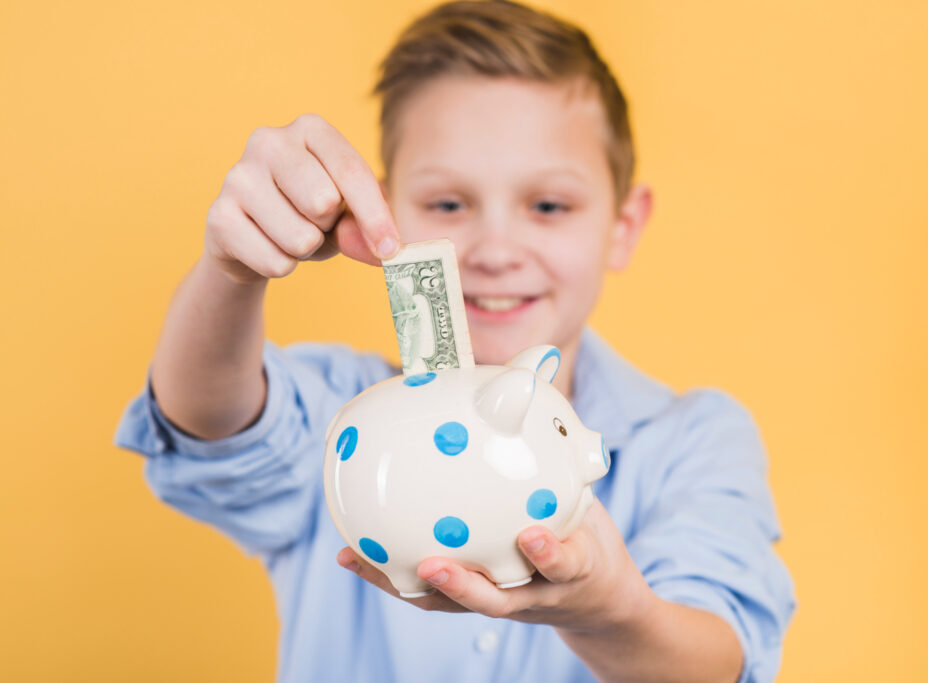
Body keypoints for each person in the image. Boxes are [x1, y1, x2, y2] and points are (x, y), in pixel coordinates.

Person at [113, 1, 796, 680]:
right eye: (447, 204)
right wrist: (231, 271)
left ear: (623, 224)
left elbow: (716, 659)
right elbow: (210, 422)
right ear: (380, 208)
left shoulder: (694, 440)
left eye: (549, 206)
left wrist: (610, 610)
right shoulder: (340, 408)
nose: (496, 249)